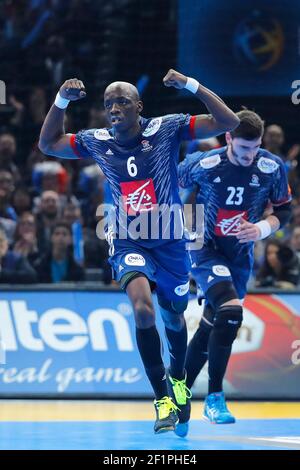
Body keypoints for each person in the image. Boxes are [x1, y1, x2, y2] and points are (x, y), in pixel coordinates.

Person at [38, 70, 239, 434]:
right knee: (143, 308)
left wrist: (192, 85)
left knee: (174, 318)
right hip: (128, 238)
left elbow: (229, 121)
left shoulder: (166, 128)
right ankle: (161, 395)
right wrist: (61, 101)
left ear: (139, 107)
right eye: (108, 104)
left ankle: (178, 377)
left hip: (170, 240)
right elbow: (49, 144)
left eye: (122, 102)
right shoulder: (97, 140)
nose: (114, 108)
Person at [178, 110, 292, 432]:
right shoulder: (206, 163)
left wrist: (260, 229)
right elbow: (170, 183)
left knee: (211, 324)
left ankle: (179, 391)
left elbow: (283, 210)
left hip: (240, 254)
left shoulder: (271, 167)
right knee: (230, 311)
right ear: (228, 138)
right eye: (243, 149)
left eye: (254, 148)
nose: (249, 155)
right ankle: (214, 398)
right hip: (204, 245)